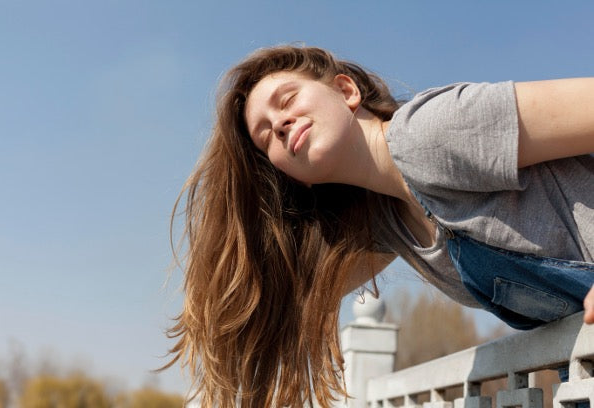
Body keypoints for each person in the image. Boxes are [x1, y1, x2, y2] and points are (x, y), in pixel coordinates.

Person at [165, 45, 594, 407]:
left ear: (346, 90)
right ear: (296, 178)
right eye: (264, 137)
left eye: (288, 99)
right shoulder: (389, 223)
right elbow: (275, 305)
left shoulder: (431, 132)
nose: (278, 124)